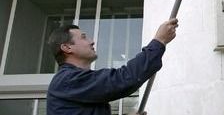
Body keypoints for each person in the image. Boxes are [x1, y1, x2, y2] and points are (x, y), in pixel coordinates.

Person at [46, 18, 178, 115]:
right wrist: (159, 41)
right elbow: (124, 79)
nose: (92, 41)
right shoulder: (68, 80)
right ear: (67, 47)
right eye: (83, 38)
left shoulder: (71, 83)